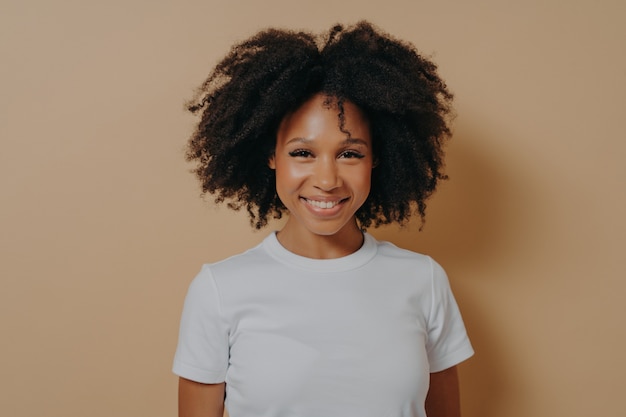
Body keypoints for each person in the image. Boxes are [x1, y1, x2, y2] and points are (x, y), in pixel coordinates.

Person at [173, 21, 473, 417]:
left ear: (377, 159)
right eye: (302, 153)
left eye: (350, 153)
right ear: (271, 155)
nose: (327, 180)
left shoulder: (424, 280)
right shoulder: (218, 290)